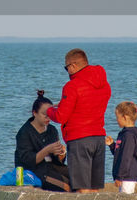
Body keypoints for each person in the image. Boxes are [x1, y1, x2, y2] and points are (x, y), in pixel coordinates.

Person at [46, 48, 111, 192]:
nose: (67, 71)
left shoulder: (72, 86)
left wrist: (48, 110)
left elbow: (60, 116)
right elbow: (88, 103)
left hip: (79, 139)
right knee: (95, 188)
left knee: (82, 189)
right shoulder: (104, 85)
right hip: (99, 137)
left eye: (66, 67)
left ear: (73, 66)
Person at [14, 91, 71, 192]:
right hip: (32, 171)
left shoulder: (52, 130)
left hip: (51, 167)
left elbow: (58, 160)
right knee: (65, 187)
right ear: (34, 113)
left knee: (79, 179)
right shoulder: (24, 132)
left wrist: (61, 153)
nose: (48, 117)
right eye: (44, 114)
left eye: (50, 114)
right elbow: (28, 161)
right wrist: (47, 150)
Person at [106, 101, 137, 194]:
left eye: (117, 117)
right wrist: (112, 145)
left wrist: (120, 177)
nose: (116, 120)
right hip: (126, 175)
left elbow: (126, 158)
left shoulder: (128, 136)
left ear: (125, 117)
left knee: (125, 198)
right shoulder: (125, 134)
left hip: (128, 176)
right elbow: (120, 153)